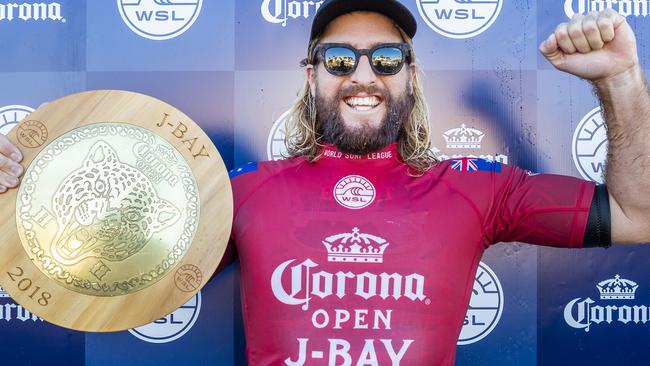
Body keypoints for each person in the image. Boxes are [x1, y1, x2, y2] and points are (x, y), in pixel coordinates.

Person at [1, 1, 649, 365]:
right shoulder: (240, 192)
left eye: (386, 58)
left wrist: (619, 81)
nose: (362, 73)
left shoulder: (476, 189)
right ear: (311, 76)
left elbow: (637, 213)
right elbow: (91, 276)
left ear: (411, 77)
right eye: (340, 59)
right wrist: (17, 196)